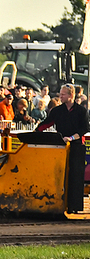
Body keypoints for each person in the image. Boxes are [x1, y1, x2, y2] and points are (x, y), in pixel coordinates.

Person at [36, 84, 89, 213]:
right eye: (60, 94)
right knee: (60, 174)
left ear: (71, 95)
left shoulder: (82, 111)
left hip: (77, 146)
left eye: (63, 94)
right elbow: (47, 123)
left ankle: (74, 206)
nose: (60, 96)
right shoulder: (57, 111)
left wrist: (71, 138)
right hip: (61, 147)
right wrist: (36, 131)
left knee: (75, 176)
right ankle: (59, 203)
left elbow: (84, 129)